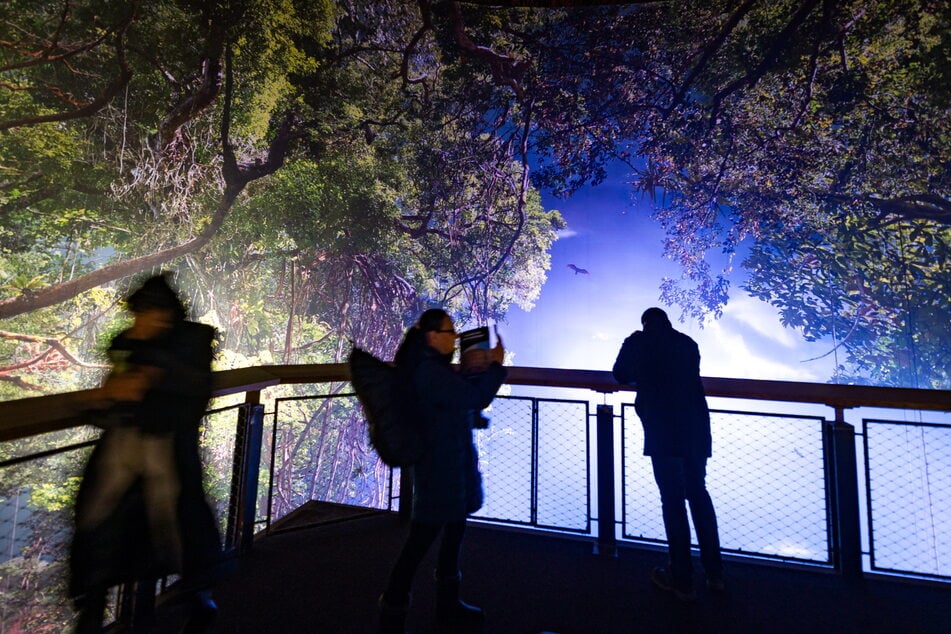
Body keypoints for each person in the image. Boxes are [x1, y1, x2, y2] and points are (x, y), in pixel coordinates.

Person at [71, 273, 221, 633]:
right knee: (98, 520)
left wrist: (150, 376)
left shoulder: (190, 341)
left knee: (175, 522)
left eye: (148, 312)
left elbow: (196, 388)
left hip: (167, 447)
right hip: (126, 444)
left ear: (166, 313)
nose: (141, 320)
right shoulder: (128, 343)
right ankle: (93, 603)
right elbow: (116, 387)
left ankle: (196, 595)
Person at [378, 309, 507, 634]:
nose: (455, 339)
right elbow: (475, 397)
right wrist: (495, 366)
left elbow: (451, 406)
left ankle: (448, 605)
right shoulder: (428, 372)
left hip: (449, 471)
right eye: (450, 333)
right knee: (417, 547)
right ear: (432, 337)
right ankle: (391, 619)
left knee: (452, 535)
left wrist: (466, 376)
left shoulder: (429, 368)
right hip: (440, 475)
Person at [612, 307, 723, 602]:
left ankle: (682, 580)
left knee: (673, 502)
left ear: (645, 323)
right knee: (698, 494)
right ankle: (715, 574)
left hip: (663, 431)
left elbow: (620, 374)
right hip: (696, 429)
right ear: (668, 322)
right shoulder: (688, 343)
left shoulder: (639, 342)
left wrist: (630, 346)